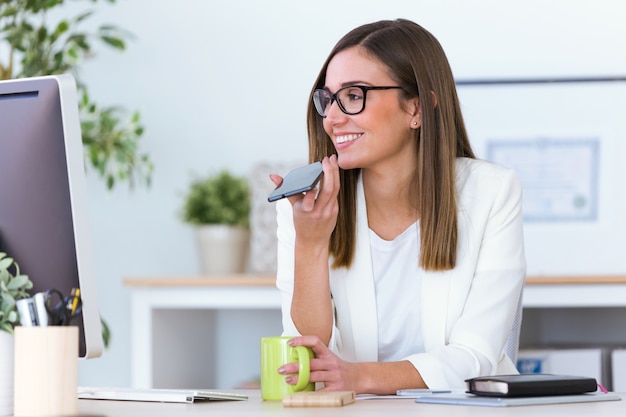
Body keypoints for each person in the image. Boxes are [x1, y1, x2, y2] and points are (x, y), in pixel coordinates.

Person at [270, 18, 526, 395]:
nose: (332, 118)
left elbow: (476, 356)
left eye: (354, 96)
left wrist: (361, 377)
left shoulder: (492, 192)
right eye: (327, 99)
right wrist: (310, 244)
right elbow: (308, 353)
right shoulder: (306, 207)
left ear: (417, 109)